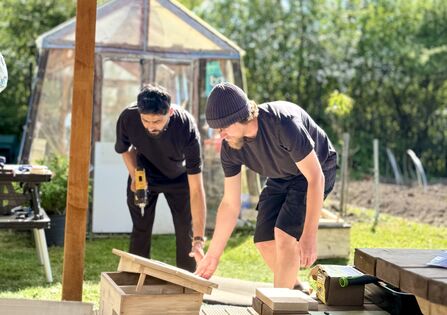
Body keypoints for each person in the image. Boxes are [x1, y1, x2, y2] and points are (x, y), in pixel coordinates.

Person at [195, 82, 337, 289]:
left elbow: (315, 178)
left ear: (240, 117)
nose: (221, 135)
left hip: (316, 169)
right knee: (264, 239)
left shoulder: (283, 125)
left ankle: (281, 304)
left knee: (284, 235)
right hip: (281, 174)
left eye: (223, 128)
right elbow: (230, 204)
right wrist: (213, 255)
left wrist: (309, 236)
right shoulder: (231, 148)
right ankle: (295, 289)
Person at [115, 84, 207, 272]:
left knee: (184, 231)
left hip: (179, 178)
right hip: (145, 175)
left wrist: (199, 239)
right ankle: (136, 277)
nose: (150, 126)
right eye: (145, 120)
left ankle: (187, 280)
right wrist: (134, 174)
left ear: (170, 112)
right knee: (141, 227)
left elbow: (196, 189)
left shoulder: (185, 127)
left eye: (157, 121)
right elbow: (124, 149)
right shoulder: (128, 117)